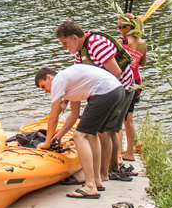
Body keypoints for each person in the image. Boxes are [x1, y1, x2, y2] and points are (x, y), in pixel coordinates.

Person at [34, 65, 133, 199]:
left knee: (79, 135)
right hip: (117, 91)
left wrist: (46, 143)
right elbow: (74, 115)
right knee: (92, 134)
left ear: (48, 78)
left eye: (43, 86)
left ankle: (90, 186)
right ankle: (97, 181)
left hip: (105, 91)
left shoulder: (58, 80)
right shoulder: (70, 83)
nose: (45, 91)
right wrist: (60, 135)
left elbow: (53, 117)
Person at [55, 20, 135, 182]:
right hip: (109, 90)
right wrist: (65, 101)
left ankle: (106, 171)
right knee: (107, 130)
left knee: (105, 130)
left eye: (65, 43)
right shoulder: (80, 52)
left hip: (122, 87)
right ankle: (109, 169)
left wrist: (102, 97)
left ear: (75, 38)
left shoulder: (97, 45)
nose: (64, 47)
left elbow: (116, 73)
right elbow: (78, 77)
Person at [117, 13, 147, 165]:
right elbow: (142, 63)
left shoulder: (121, 42)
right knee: (129, 120)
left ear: (128, 28)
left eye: (121, 27)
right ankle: (130, 153)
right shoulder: (142, 43)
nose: (119, 30)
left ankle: (118, 153)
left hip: (124, 82)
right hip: (136, 83)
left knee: (118, 119)